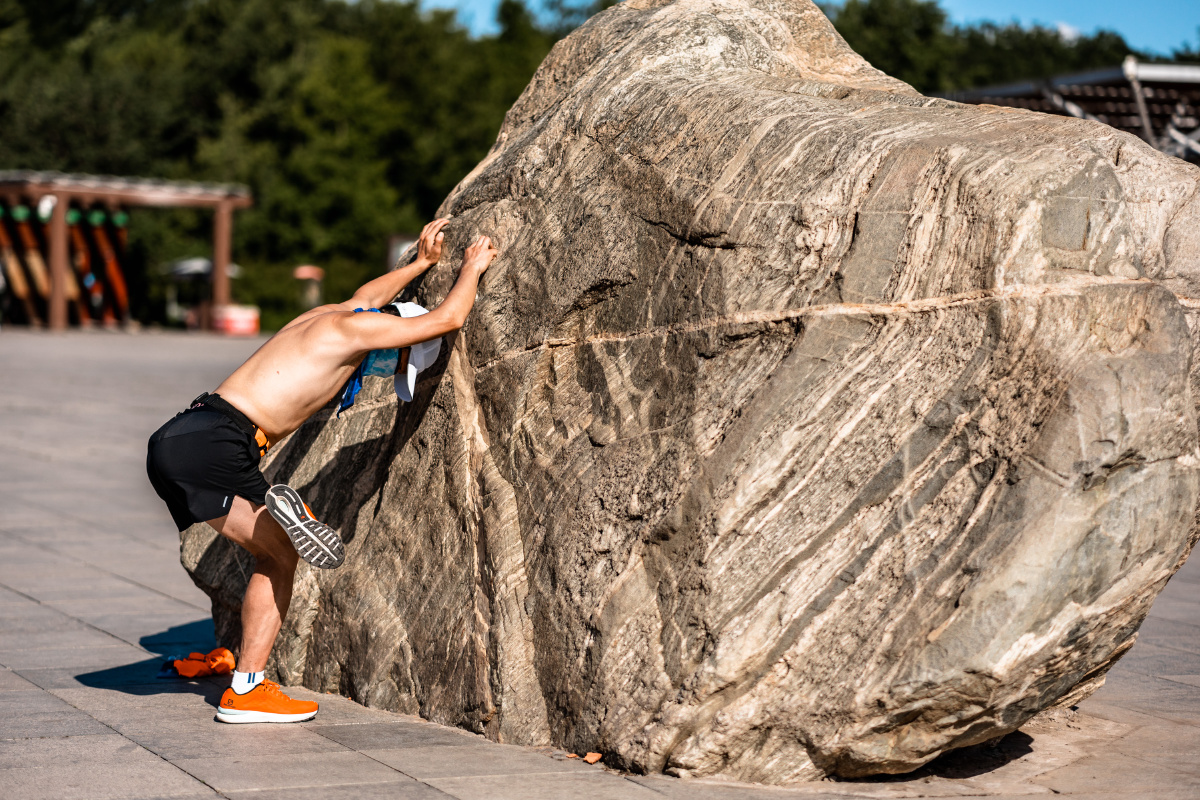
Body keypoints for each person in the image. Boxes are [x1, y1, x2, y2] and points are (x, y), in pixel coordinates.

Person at [146, 219, 497, 723]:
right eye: (398, 363)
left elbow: (366, 297)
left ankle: (284, 528)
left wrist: (420, 263)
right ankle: (247, 692)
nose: (386, 372)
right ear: (390, 338)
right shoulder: (358, 331)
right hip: (222, 442)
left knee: (275, 550)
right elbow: (448, 318)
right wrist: (472, 266)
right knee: (281, 555)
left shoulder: (332, 316)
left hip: (181, 436)